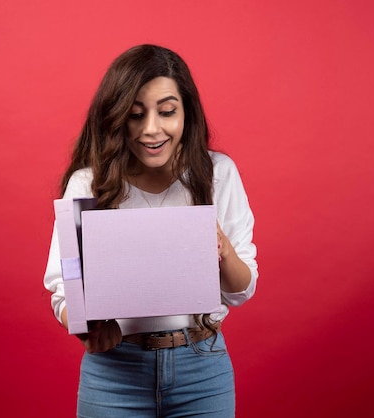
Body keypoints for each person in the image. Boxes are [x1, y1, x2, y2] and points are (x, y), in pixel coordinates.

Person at [43, 44, 258, 418]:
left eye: (167, 111)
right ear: (116, 117)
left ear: (186, 114)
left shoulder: (218, 173)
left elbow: (242, 289)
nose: (152, 129)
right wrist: (87, 326)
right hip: (114, 371)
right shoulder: (88, 183)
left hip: (202, 368)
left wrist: (221, 247)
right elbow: (65, 292)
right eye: (136, 115)